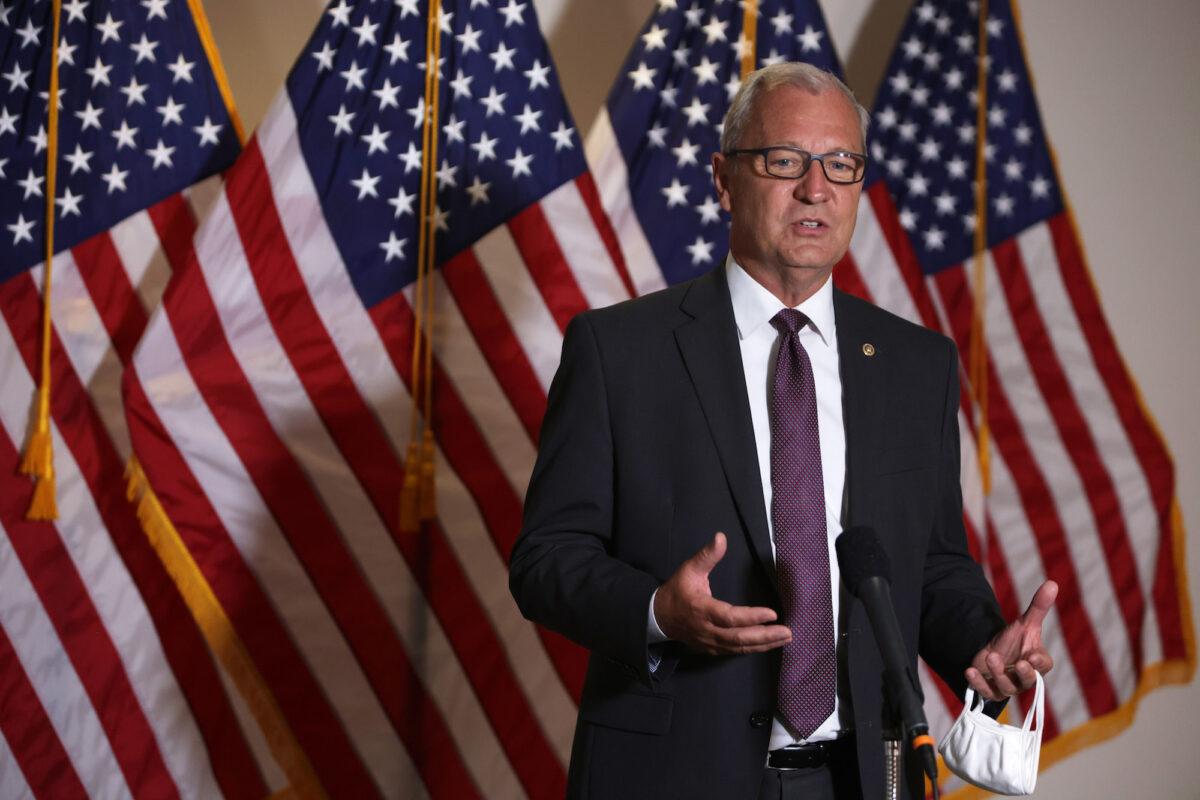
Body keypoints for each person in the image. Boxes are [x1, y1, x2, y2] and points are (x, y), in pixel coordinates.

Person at [510, 62, 1056, 800]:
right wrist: (656, 614)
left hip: (863, 776)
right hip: (671, 774)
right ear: (723, 178)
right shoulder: (618, 352)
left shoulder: (915, 364)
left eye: (841, 164)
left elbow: (928, 567)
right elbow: (545, 559)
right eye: (784, 161)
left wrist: (983, 643)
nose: (816, 188)